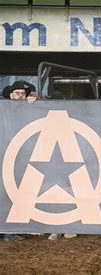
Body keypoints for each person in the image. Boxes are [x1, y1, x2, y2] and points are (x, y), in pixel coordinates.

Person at [1, 80, 38, 241]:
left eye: (23, 93)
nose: (21, 96)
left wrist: (35, 98)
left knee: (15, 192)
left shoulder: (27, 109)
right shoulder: (4, 108)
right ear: (10, 94)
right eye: (17, 93)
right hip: (7, 154)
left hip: (18, 156)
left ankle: (13, 228)